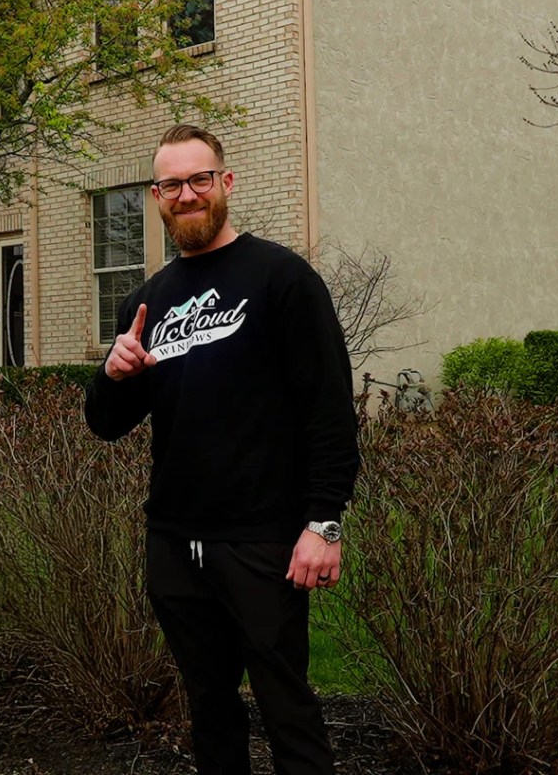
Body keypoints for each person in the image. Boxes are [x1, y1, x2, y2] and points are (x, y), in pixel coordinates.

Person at [84, 124, 360, 775]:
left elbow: (329, 411)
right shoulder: (147, 301)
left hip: (263, 542)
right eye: (171, 184)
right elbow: (106, 423)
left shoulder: (282, 280)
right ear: (156, 196)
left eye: (199, 179)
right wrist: (112, 373)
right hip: (175, 544)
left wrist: (323, 523)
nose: (187, 194)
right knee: (209, 708)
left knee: (287, 708)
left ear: (225, 183)